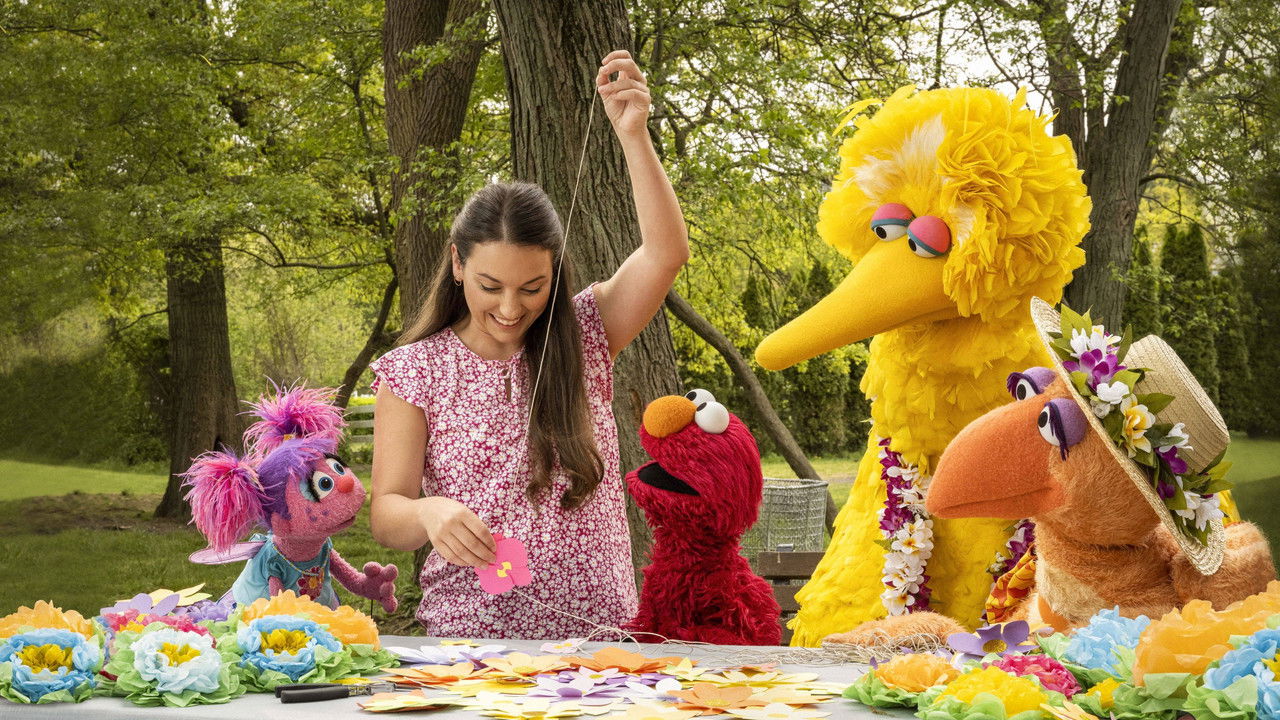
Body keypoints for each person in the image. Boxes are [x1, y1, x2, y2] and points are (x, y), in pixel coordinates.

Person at [368, 50, 688, 638]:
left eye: (532, 287)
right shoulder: (415, 370)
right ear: (458, 265)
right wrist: (427, 511)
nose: (511, 308)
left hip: (601, 640)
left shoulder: (586, 333)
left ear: (554, 273)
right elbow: (387, 514)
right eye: (491, 286)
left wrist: (633, 135)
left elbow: (666, 254)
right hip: (470, 641)